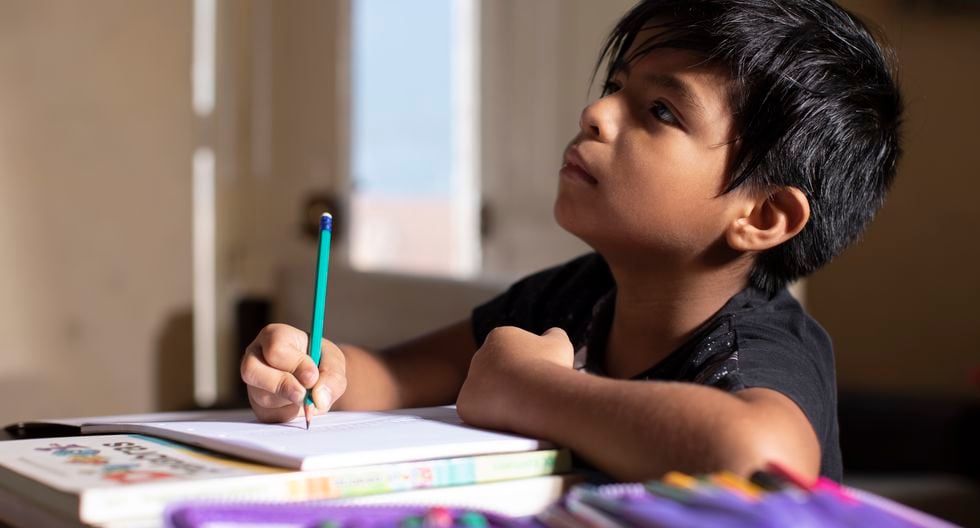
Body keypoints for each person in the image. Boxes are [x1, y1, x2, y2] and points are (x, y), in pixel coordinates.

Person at [240, 0, 902, 482]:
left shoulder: (759, 346)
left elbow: (765, 457)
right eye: (617, 87)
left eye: (661, 111)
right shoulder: (575, 297)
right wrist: (318, 368)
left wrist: (529, 389)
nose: (597, 112)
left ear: (762, 217)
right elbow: (395, 376)